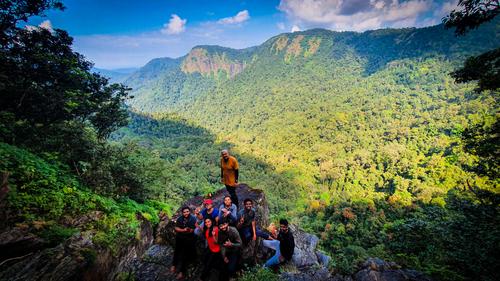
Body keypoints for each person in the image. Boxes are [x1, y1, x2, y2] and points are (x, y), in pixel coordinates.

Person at [171, 206, 197, 280]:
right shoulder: (180, 218)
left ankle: (182, 272)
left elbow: (192, 230)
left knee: (185, 254)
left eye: (187, 211)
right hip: (180, 237)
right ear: (182, 213)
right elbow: (176, 228)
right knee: (177, 251)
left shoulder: (193, 218)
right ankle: (174, 264)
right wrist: (183, 230)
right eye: (184, 212)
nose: (186, 213)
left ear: (189, 212)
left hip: (189, 238)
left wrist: (186, 230)